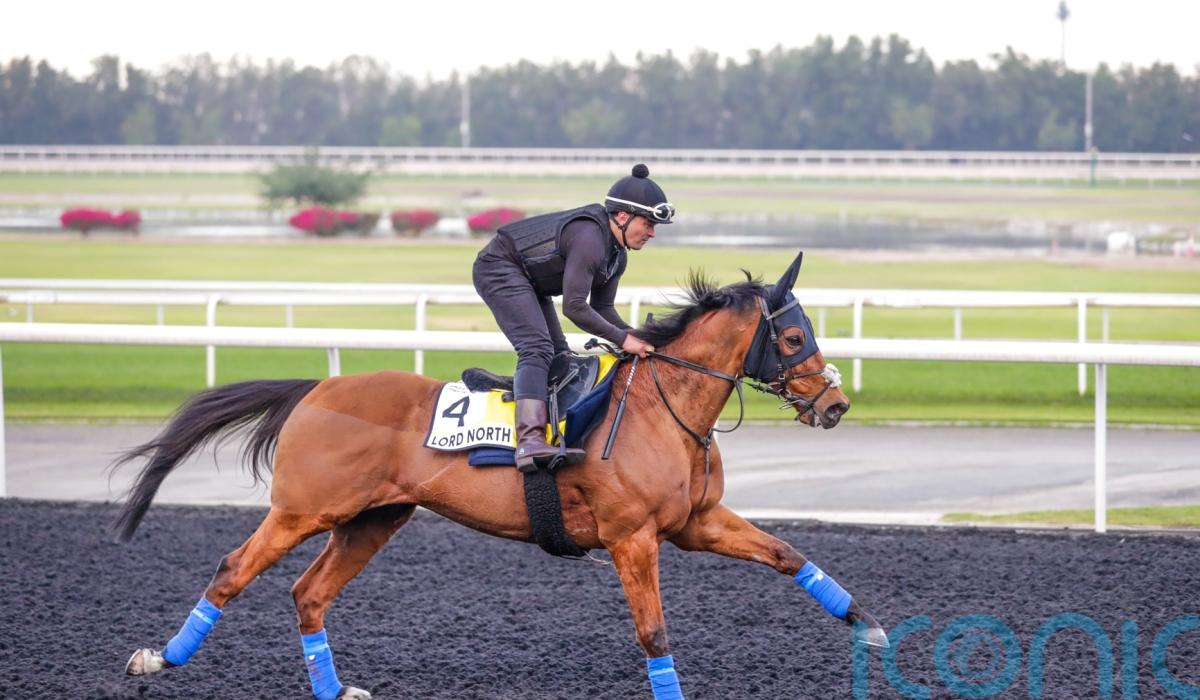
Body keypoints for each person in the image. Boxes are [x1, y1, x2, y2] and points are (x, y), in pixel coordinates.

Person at [472, 163, 673, 471]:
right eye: (647, 224)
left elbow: (603, 309)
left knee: (560, 355)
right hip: (499, 267)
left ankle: (549, 422)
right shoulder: (590, 239)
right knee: (537, 349)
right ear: (623, 216)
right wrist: (623, 339)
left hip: (530, 279)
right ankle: (529, 442)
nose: (652, 233)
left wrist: (637, 336)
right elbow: (575, 307)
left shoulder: (617, 255)